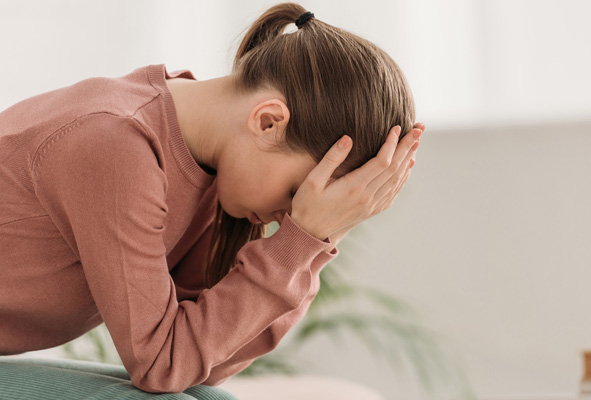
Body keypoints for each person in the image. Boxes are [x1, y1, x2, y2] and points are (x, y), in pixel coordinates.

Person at [0, 2, 424, 396]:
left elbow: (201, 360)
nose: (289, 217)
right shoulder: (115, 143)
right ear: (269, 121)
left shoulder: (208, 166)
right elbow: (162, 364)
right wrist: (302, 241)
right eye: (297, 194)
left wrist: (318, 241)